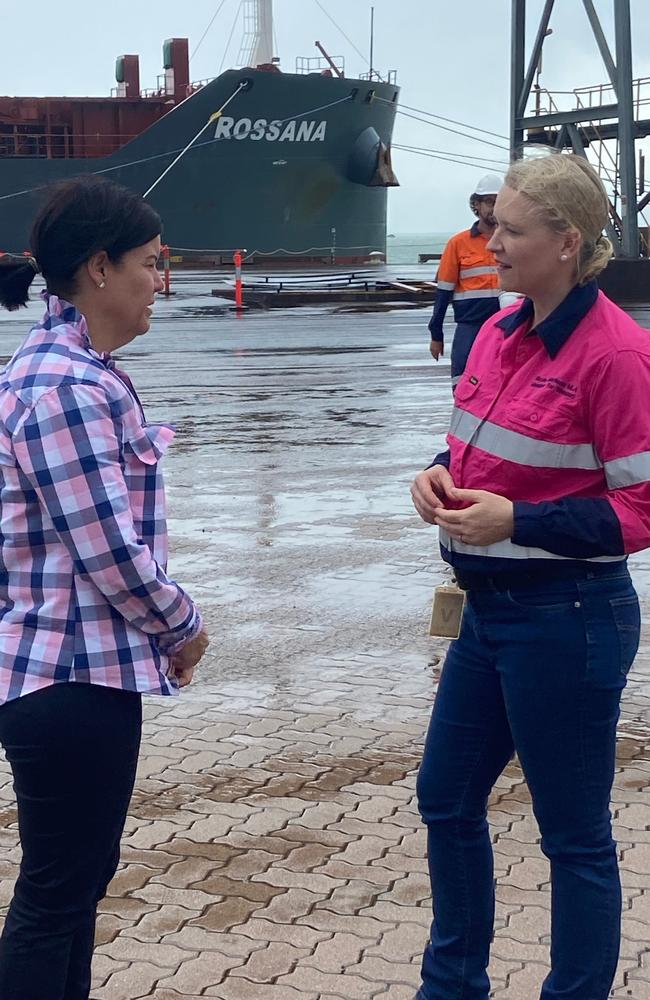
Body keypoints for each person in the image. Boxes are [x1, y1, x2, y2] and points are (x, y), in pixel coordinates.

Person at [410, 152, 650, 1000]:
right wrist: (434, 474)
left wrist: (520, 521)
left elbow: (641, 510)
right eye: (493, 223)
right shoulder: (498, 331)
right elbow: (476, 445)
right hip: (486, 612)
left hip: (569, 618)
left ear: (565, 241)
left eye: (510, 228)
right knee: (444, 799)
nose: (491, 240)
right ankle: (452, 987)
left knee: (573, 836)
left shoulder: (617, 357)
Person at [0, 176, 209, 1000]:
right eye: (150, 264)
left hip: (73, 675)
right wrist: (182, 624)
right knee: (58, 892)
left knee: (74, 885)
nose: (158, 283)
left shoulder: (72, 371)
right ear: (98, 268)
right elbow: (111, 553)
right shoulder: (66, 388)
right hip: (67, 679)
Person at [428, 174, 502, 388]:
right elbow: (443, 293)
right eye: (489, 202)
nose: (494, 208)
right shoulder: (458, 244)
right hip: (471, 324)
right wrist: (436, 335)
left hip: (506, 324)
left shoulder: (513, 241)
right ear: (476, 205)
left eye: (498, 202)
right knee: (462, 380)